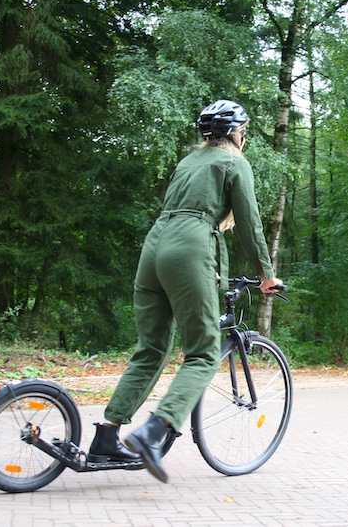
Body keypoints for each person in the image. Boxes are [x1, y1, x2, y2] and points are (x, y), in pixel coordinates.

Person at [87, 99, 282, 483]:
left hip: (154, 246)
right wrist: (266, 273)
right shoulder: (234, 163)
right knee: (204, 351)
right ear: (236, 133)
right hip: (189, 247)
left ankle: (106, 436)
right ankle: (154, 430)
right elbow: (249, 224)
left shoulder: (187, 162)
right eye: (244, 130)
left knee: (151, 349)